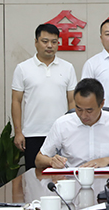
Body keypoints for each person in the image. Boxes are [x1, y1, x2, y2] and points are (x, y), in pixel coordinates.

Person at [11, 23, 77, 170]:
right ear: (36, 42)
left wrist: (72, 130)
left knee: (62, 176)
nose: (49, 46)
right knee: (34, 176)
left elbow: (72, 101)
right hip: (32, 133)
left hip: (61, 134)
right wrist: (18, 132)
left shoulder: (68, 68)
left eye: (54, 42)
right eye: (45, 41)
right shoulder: (23, 68)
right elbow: (16, 101)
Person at [35, 78, 109, 169]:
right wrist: (51, 161)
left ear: (102, 104)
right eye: (79, 109)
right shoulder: (62, 124)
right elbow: (39, 160)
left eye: (89, 110)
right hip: (72, 180)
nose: (83, 115)